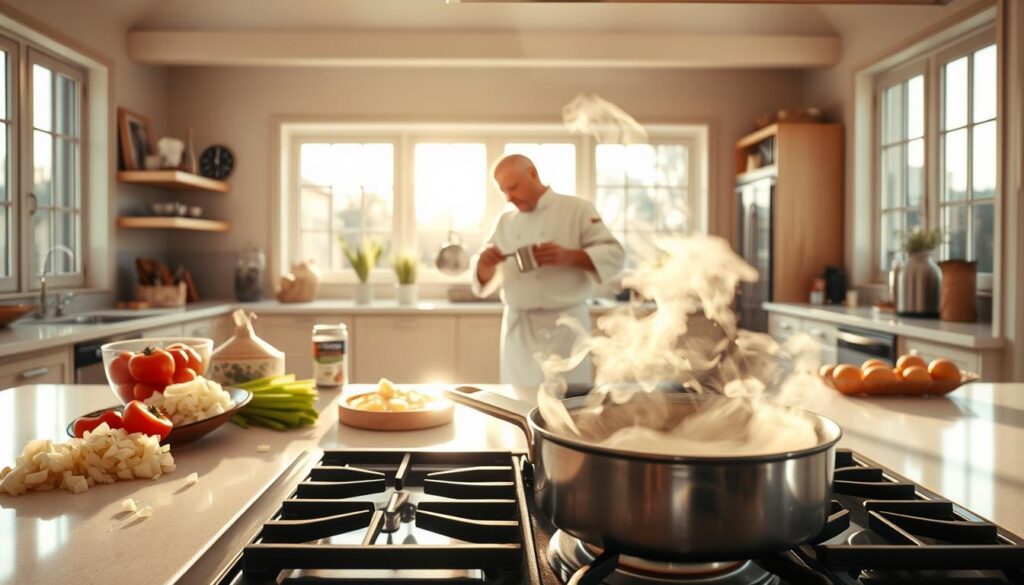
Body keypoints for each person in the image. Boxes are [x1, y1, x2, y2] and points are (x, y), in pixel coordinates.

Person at [471, 154, 625, 391]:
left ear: (532, 174)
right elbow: (484, 281)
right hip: (519, 330)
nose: (509, 197)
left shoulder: (577, 209)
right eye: (503, 191)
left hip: (565, 328)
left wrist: (569, 256)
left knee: (567, 404)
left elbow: (615, 255)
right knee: (517, 402)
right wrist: (485, 264)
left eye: (513, 187)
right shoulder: (505, 221)